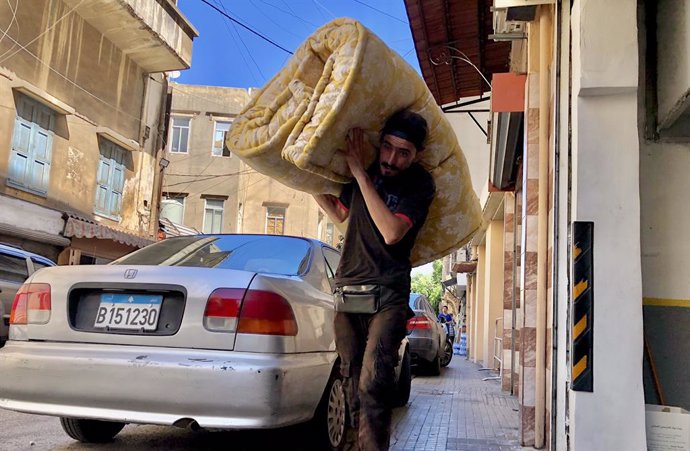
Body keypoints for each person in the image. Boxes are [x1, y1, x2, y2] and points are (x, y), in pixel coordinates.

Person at [313, 109, 436, 451]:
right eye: (387, 147)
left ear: (417, 155)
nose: (391, 159)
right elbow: (341, 213)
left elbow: (392, 231)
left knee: (373, 385)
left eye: (403, 152)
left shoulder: (419, 183)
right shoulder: (364, 172)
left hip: (388, 295)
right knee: (351, 386)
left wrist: (358, 172)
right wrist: (305, 178)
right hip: (347, 289)